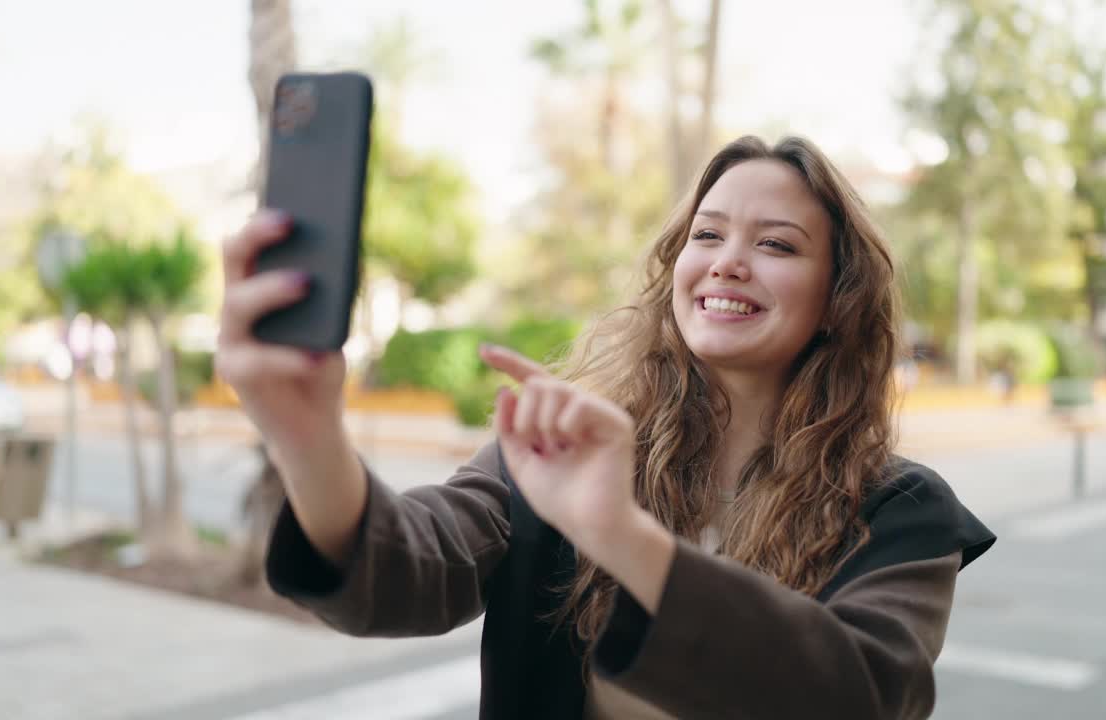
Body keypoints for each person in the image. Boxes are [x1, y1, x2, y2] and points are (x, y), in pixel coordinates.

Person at [215, 135, 996, 719]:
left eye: (777, 245)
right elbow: (409, 574)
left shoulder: (902, 512)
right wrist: (308, 436)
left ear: (837, 300)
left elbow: (858, 698)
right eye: (707, 234)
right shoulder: (572, 442)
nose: (727, 261)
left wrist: (623, 536)